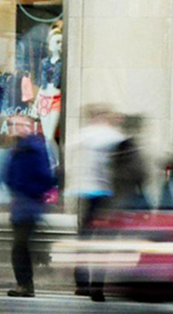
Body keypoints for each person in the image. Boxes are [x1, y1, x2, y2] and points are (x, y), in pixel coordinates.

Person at [73, 104, 125, 302]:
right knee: (103, 243)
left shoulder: (84, 135)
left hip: (89, 193)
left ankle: (83, 284)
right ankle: (95, 286)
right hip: (106, 196)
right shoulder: (114, 137)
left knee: (85, 240)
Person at [3, 115, 56, 298]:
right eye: (10, 125)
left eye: (15, 125)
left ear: (27, 127)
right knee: (21, 246)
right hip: (21, 204)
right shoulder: (19, 148)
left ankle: (25, 285)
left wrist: (27, 191)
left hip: (28, 204)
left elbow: (45, 177)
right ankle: (25, 284)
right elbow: (9, 175)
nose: (11, 128)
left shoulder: (33, 148)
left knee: (20, 246)